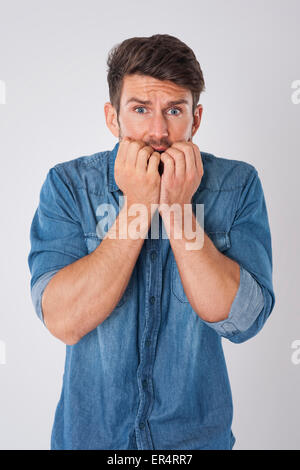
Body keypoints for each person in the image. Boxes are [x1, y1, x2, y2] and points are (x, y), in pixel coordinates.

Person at [27, 34, 275, 450]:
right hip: (91, 440)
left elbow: (244, 321)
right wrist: (139, 207)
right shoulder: (69, 185)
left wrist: (178, 211)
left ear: (195, 120)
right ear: (113, 117)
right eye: (140, 109)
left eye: (174, 110)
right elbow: (63, 320)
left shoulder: (238, 184)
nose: (158, 131)